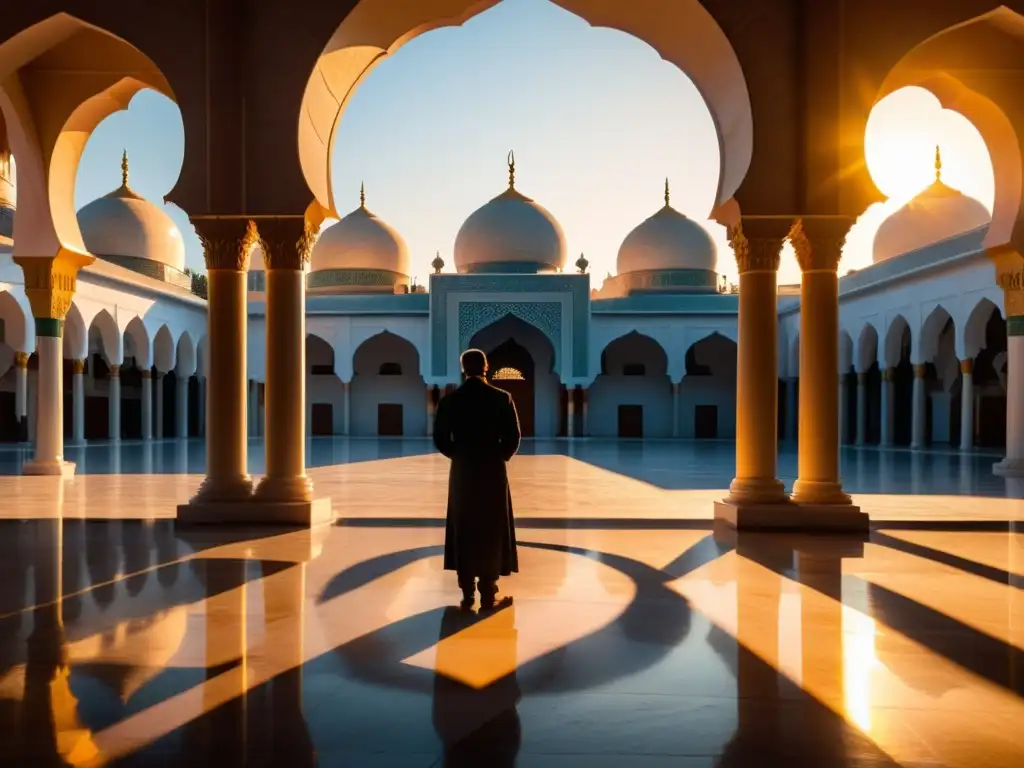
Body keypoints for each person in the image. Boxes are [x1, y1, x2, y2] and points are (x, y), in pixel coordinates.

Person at [433, 348, 521, 610]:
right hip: (492, 470)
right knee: (491, 526)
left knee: (465, 523)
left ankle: (467, 590)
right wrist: (497, 456)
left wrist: (460, 456)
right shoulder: (501, 398)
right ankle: (488, 590)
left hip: (463, 471)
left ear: (463, 368)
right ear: (486, 367)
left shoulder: (450, 401)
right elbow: (513, 437)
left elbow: (440, 439)